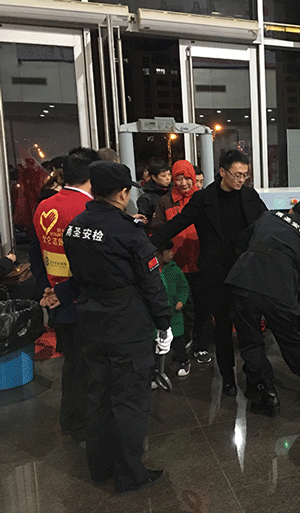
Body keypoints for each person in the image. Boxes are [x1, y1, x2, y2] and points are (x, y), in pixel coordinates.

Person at [63, 161, 172, 494]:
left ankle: (100, 468)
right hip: (126, 325)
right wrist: (164, 324)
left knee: (97, 396)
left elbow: (77, 274)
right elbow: (151, 283)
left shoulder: (75, 227)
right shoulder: (129, 232)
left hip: (90, 320)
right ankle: (129, 475)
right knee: (129, 401)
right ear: (123, 193)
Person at [150, 150, 267, 396]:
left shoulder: (249, 196)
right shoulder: (204, 199)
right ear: (222, 172)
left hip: (245, 274)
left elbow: (266, 224)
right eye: (237, 174)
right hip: (216, 276)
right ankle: (228, 378)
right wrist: (146, 246)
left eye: (245, 175)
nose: (241, 179)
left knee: (250, 329)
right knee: (222, 330)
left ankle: (255, 377)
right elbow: (176, 224)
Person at [226, 196, 300, 417]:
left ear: (292, 210)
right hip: (280, 291)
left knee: (251, 341)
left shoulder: (267, 217)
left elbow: (240, 244)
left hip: (246, 281)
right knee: (289, 338)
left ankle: (268, 395)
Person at [31, 149, 100, 442]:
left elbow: (36, 254)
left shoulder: (44, 207)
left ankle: (71, 419)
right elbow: (91, 266)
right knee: (89, 366)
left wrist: (46, 290)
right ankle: (82, 423)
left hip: (55, 299)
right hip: (80, 299)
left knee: (72, 362)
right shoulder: (89, 210)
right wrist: (63, 292)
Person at [149, 160, 201, 355]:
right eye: (179, 178)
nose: (183, 183)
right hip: (175, 263)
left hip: (199, 260)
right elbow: (157, 230)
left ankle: (198, 340)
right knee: (178, 303)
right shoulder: (165, 201)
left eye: (187, 178)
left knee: (198, 304)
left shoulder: (202, 198)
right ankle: (180, 340)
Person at [157, 241, 191, 377]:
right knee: (156, 342)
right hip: (157, 313)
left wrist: (181, 300)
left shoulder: (174, 270)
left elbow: (183, 287)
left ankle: (184, 361)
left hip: (173, 313)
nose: (172, 254)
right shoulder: (153, 270)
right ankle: (156, 369)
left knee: (177, 341)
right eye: (168, 251)